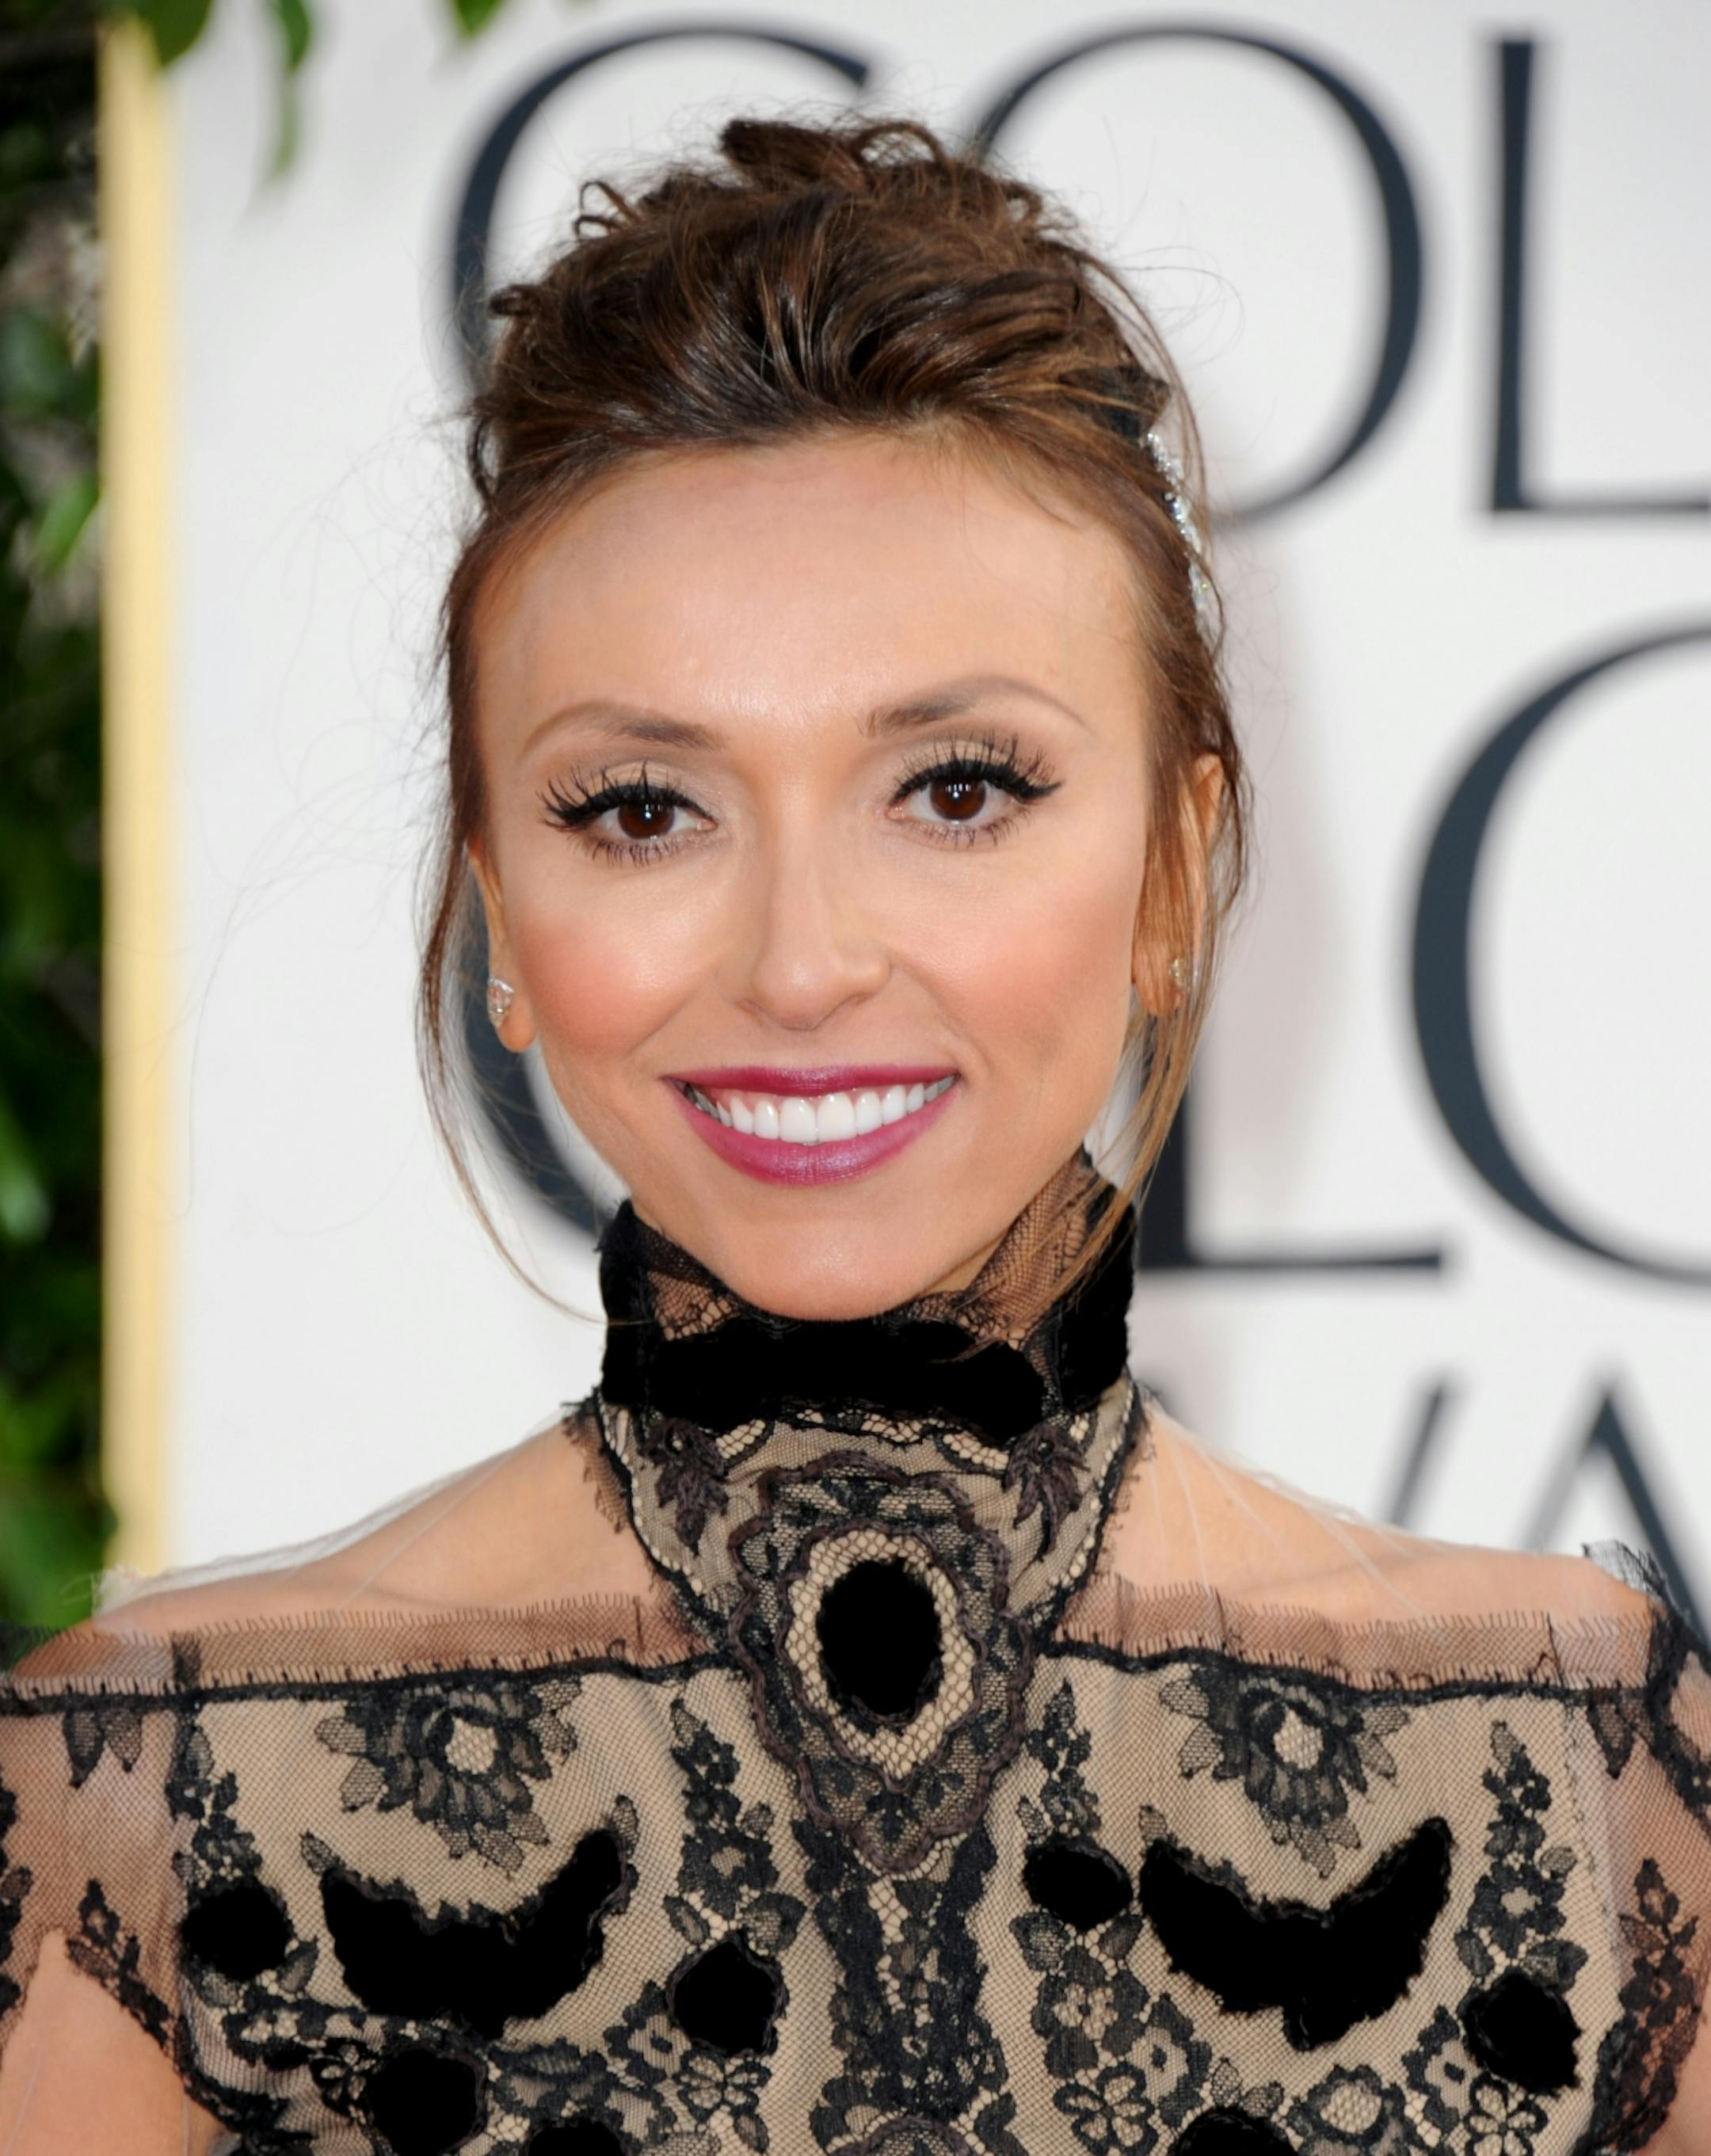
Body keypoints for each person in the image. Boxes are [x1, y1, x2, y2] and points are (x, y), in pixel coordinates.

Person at [0, 112, 1705, 2155]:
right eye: (645, 809)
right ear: (500, 918)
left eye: (957, 790)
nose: (801, 966)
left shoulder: (1592, 1782)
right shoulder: (145, 1811)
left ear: (1175, 872)